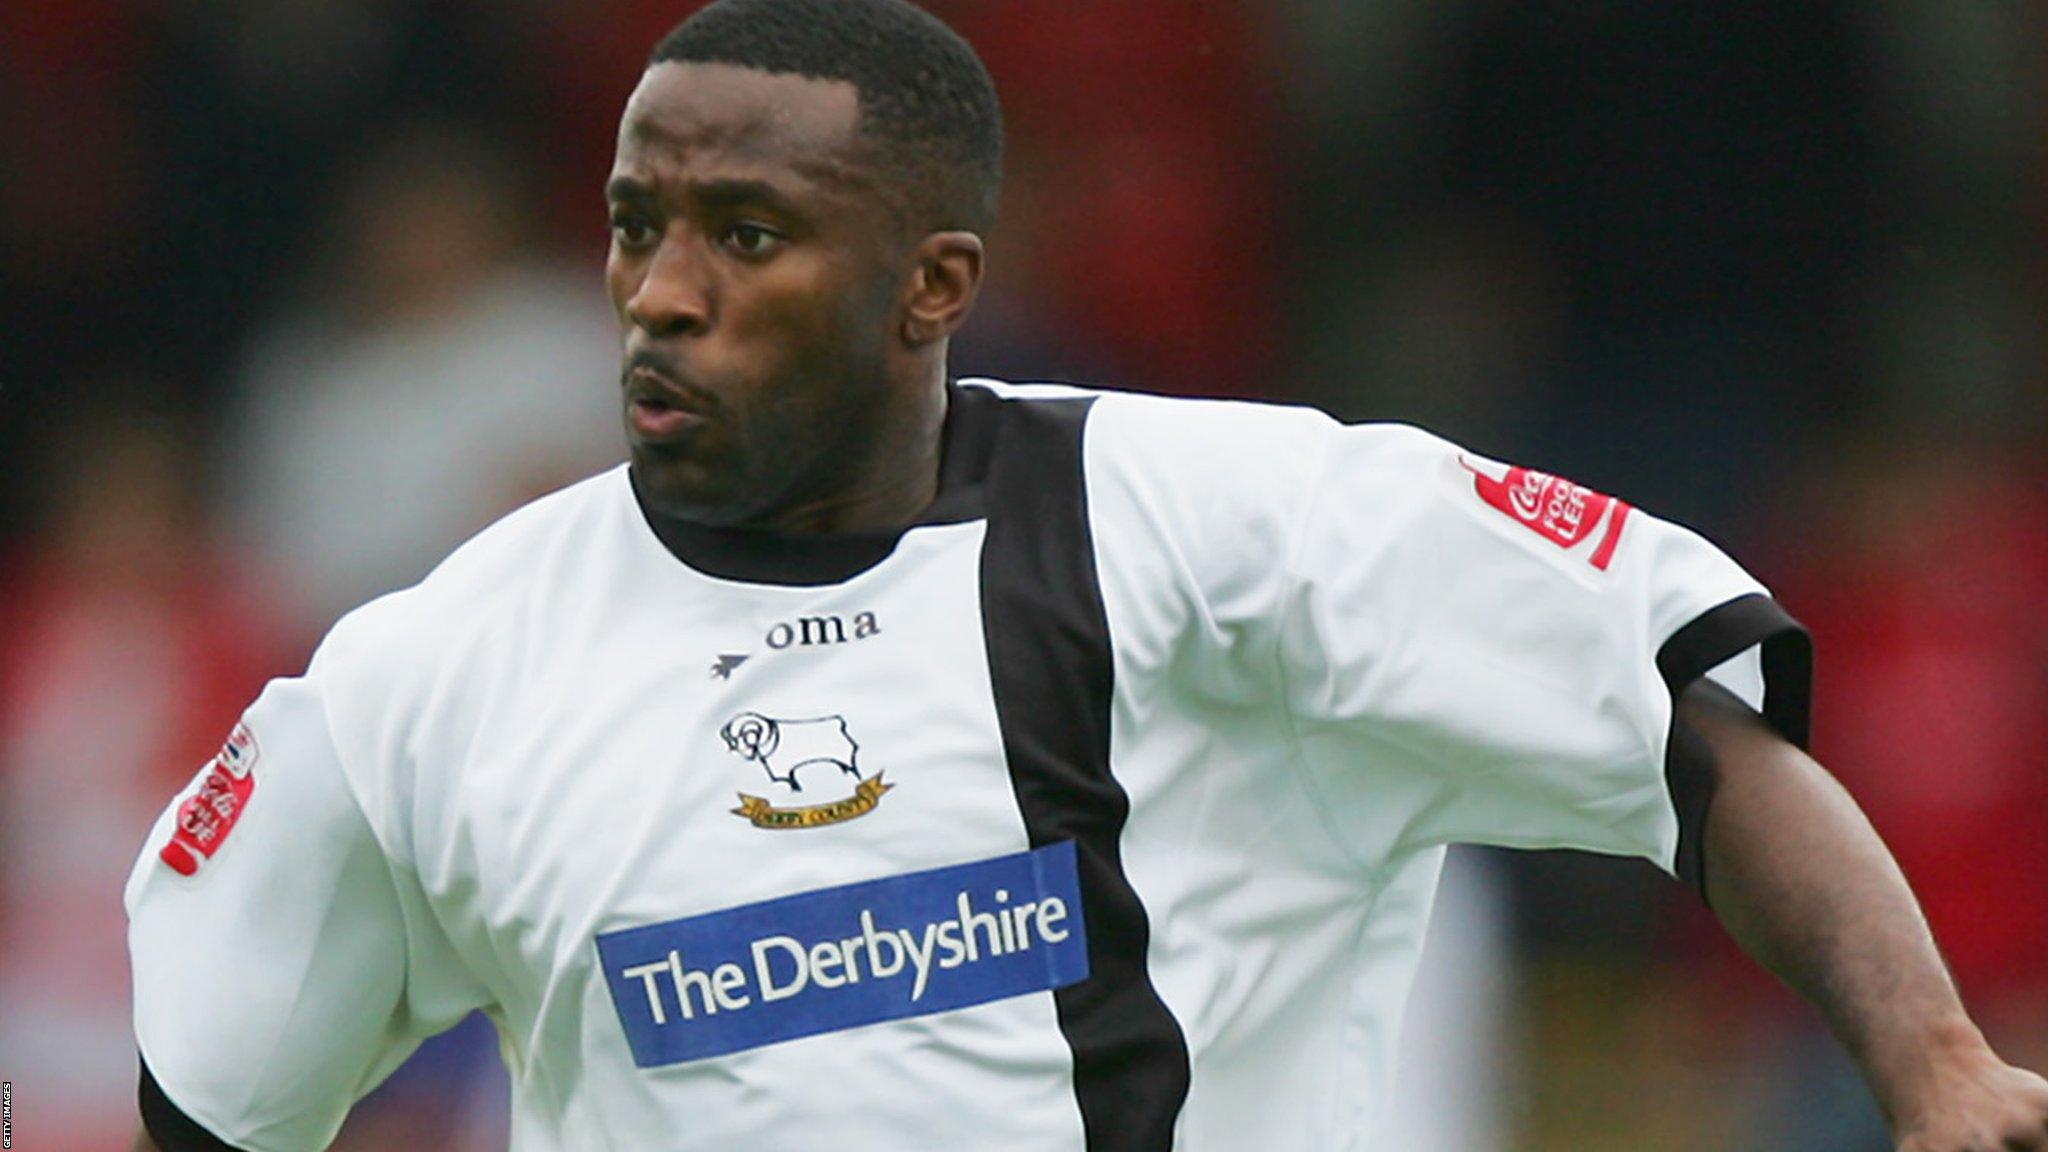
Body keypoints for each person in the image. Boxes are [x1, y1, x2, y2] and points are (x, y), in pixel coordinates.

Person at [126, 1, 2048, 1149]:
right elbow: (206, 1103)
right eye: (637, 227)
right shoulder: (430, 671)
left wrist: (1936, 1062)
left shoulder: (1232, 535)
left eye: (747, 234)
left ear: (933, 286)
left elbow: (1692, 741)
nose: (663, 294)